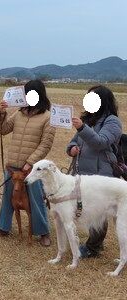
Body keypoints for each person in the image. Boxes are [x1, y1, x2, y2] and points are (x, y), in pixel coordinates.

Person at [0, 79, 56, 246]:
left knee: (36, 199)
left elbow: (45, 144)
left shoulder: (48, 117)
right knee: (8, 196)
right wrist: (2, 113)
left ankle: (43, 232)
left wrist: (30, 162)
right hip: (13, 166)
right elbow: (3, 129)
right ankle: (3, 227)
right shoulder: (19, 113)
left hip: (32, 169)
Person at [66, 85, 122, 258]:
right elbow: (73, 143)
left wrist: (82, 128)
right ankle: (94, 244)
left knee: (102, 211)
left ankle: (94, 246)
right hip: (83, 174)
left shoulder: (112, 121)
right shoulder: (89, 120)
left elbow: (100, 142)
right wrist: (72, 148)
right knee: (89, 209)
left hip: (102, 174)